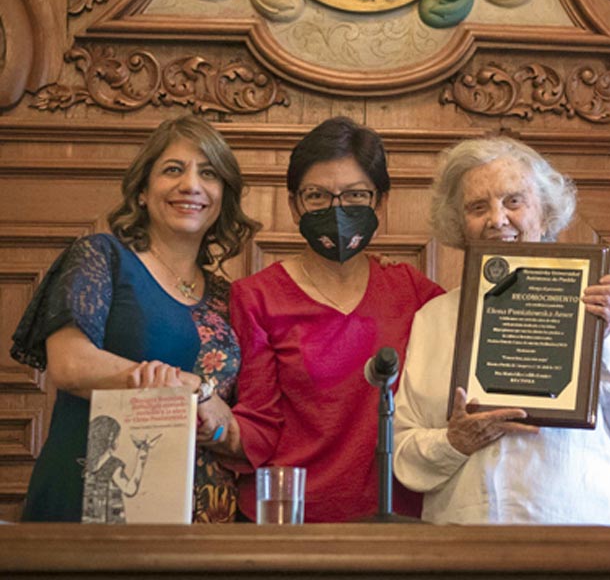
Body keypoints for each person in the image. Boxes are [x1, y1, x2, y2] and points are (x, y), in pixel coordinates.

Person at [392, 136, 610, 524]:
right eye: (477, 206)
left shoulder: (603, 302)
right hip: (466, 537)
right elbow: (402, 449)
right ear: (460, 223)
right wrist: (453, 442)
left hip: (583, 528)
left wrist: (601, 341)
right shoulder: (434, 317)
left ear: (546, 211)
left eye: (513, 201)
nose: (497, 219)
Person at [10, 114, 260, 522]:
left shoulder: (228, 297)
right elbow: (70, 365)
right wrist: (192, 389)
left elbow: (233, 423)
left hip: (204, 523)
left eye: (209, 173)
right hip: (95, 505)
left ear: (222, 196)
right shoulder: (103, 258)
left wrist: (215, 429)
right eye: (173, 170)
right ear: (143, 191)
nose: (191, 185)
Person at [218, 117, 444, 522]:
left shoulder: (413, 291)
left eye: (356, 195)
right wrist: (209, 424)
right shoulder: (257, 296)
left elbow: (482, 337)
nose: (336, 209)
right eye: (317, 196)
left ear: (381, 201)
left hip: (397, 521)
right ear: (294, 204)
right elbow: (258, 420)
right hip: (289, 520)